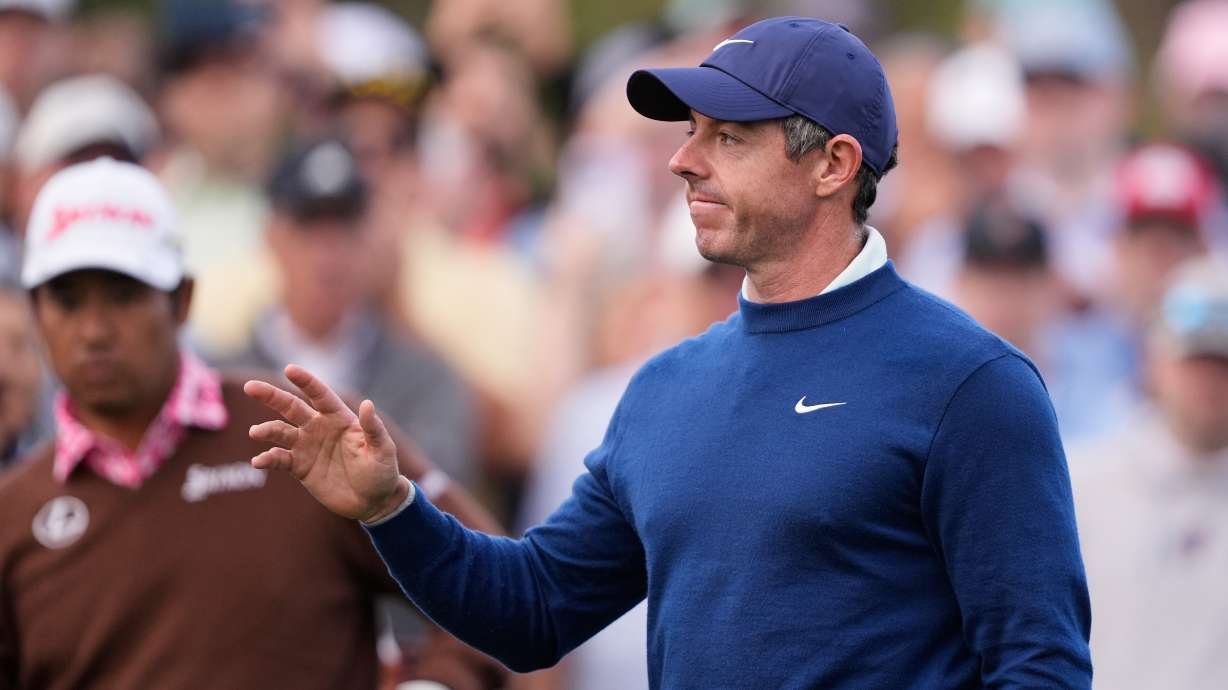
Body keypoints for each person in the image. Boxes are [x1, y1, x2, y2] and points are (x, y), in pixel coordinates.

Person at [246, 17, 1092, 687]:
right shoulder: (665, 389)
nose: (683, 162)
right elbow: (533, 611)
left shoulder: (970, 384)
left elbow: (1038, 666)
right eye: (692, 132)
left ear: (834, 165)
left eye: (729, 137)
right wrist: (392, 509)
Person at [0, 158, 503, 690]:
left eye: (123, 295)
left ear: (182, 300)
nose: (94, 330)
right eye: (67, 300)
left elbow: (494, 590)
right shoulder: (13, 514)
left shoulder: (307, 432)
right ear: (35, 313)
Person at [1072, 256, 1228, 689]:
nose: (1209, 382)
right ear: (1153, 360)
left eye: (1223, 364)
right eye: (1195, 361)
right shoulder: (1080, 485)